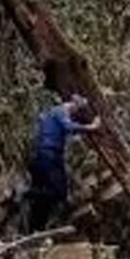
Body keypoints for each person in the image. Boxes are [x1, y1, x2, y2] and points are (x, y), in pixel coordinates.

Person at [25, 95, 101, 231]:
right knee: (59, 192)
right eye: (78, 111)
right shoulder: (60, 111)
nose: (76, 115)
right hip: (48, 155)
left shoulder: (51, 113)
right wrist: (91, 127)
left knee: (44, 199)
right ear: (74, 106)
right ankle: (26, 193)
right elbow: (68, 127)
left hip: (44, 154)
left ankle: (35, 229)